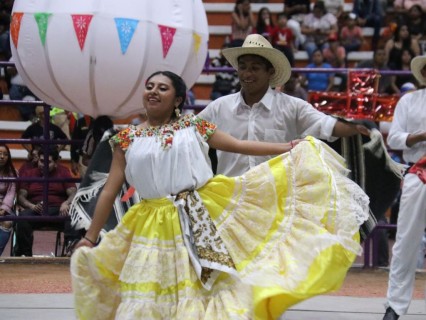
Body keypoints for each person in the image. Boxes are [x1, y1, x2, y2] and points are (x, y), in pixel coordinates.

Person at [71, 70, 370, 319]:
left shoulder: (194, 125)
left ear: (177, 99)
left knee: (199, 294)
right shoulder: (126, 138)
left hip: (198, 217)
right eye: (149, 86)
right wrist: (90, 236)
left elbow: (238, 145)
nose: (153, 92)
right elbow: (110, 190)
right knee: (148, 297)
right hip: (149, 224)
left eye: (162, 88)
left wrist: (288, 147)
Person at [199, 33, 370, 178]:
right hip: (230, 199)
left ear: (270, 72)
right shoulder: (219, 107)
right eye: (242, 67)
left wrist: (358, 125)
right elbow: (191, 131)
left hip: (277, 203)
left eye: (255, 68)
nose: (247, 73)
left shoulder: (293, 107)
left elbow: (328, 126)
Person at [382, 55, 426, 320]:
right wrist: (420, 136)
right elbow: (396, 137)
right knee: (406, 241)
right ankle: (394, 306)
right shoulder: (409, 101)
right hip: (417, 173)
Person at [13, 147, 79, 257]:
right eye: (42, 161)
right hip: (36, 210)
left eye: (48, 162)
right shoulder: (29, 173)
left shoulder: (63, 171)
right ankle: (26, 254)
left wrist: (66, 203)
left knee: (72, 215)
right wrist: (31, 206)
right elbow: (20, 196)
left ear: (56, 162)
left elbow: (73, 192)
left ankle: (70, 250)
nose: (44, 165)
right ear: (38, 160)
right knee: (22, 217)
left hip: (58, 210)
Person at [0, 144, 17, 256]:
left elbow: (11, 193)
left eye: (5, 154)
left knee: (7, 222)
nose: (2, 156)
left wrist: (3, 209)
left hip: (4, 206)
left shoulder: (12, 172)